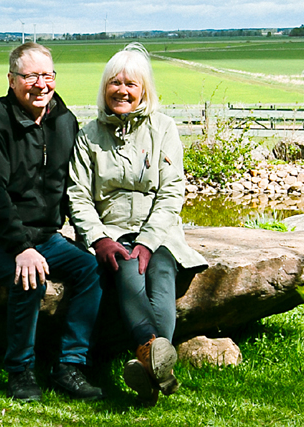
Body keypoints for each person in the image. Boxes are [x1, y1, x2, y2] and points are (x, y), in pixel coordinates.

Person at [0, 42, 104, 403]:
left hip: (44, 237)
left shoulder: (64, 122)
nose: (41, 84)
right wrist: (21, 247)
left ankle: (69, 365)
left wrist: (95, 236)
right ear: (11, 80)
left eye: (48, 75)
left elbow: (73, 186)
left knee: (93, 270)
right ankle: (20, 372)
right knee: (30, 277)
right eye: (31, 76)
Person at [67, 43, 208, 406]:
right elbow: (78, 195)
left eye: (131, 83)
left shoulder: (163, 128)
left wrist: (148, 239)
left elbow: (172, 189)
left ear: (144, 89)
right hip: (111, 230)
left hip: (159, 229)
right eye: (115, 82)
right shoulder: (89, 136)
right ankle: (156, 358)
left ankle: (147, 361)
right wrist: (98, 238)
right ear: (104, 88)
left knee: (161, 269)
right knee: (128, 268)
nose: (122, 90)